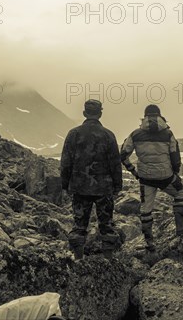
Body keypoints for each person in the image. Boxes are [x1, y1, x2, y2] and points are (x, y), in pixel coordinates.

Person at [60, 99, 122, 259]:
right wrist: (117, 186)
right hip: (104, 187)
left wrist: (65, 185)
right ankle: (108, 259)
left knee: (79, 224)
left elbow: (66, 161)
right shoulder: (108, 135)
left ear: (84, 113)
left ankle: (78, 258)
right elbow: (115, 162)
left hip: (80, 186)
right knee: (106, 224)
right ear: (100, 114)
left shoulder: (73, 134)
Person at [120, 104, 183, 252]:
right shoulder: (168, 134)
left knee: (146, 209)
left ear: (144, 117)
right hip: (166, 176)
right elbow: (175, 156)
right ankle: (180, 227)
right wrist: (175, 172)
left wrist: (133, 171)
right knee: (180, 193)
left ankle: (150, 244)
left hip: (146, 177)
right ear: (160, 116)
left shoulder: (135, 134)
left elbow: (123, 154)